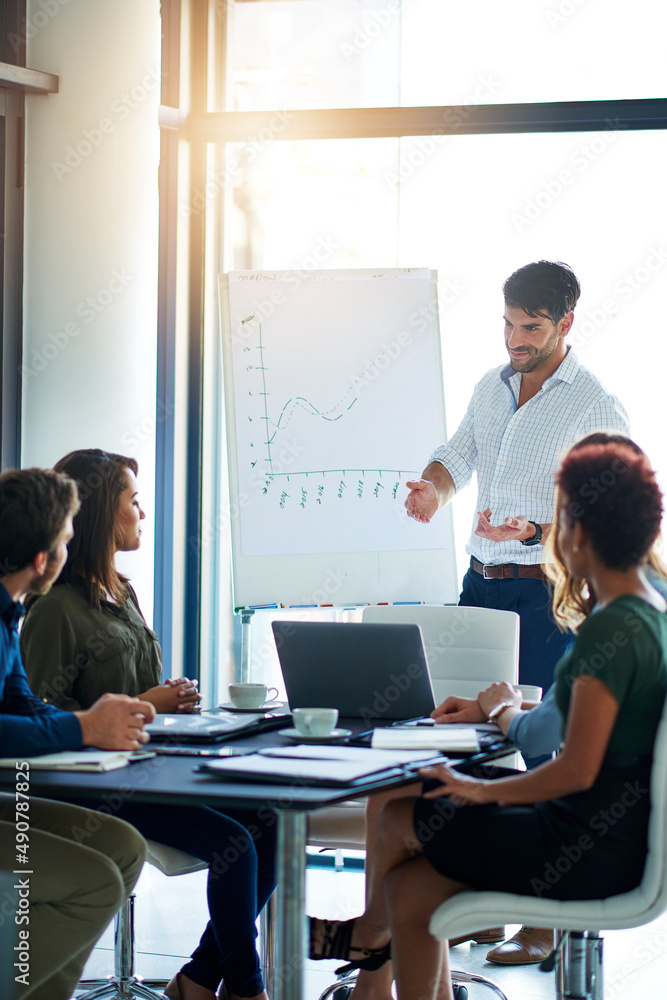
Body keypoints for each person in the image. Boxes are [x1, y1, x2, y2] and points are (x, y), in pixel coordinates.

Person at [311, 439, 667, 1000]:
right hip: (618, 839)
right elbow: (586, 726)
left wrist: (479, 791)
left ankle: (365, 938)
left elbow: (574, 769)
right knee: (409, 889)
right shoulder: (649, 611)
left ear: (577, 533)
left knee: (401, 816)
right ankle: (370, 953)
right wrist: (500, 716)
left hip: (584, 845)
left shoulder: (612, 629)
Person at [20, 449, 276, 1000]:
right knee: (234, 841)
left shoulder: (123, 592)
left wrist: (170, 701)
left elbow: (139, 695)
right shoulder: (55, 608)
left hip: (151, 768)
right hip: (95, 784)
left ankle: (199, 979)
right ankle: (246, 989)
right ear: (100, 513)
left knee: (270, 822)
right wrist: (149, 704)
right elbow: (41, 716)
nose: (142, 513)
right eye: (133, 501)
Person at [405, 261, 629, 698]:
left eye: (530, 327)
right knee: (458, 716)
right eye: (508, 324)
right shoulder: (491, 385)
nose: (513, 340)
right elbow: (457, 456)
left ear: (565, 324)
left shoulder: (596, 405)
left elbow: (612, 522)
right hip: (477, 586)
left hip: (545, 596)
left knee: (532, 726)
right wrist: (433, 489)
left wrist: (534, 532)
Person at [0, 467, 151, 1000]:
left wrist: (89, 725)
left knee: (124, 848)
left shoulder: (9, 614)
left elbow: (20, 704)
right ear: (44, 560)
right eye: (66, 541)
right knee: (94, 883)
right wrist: (85, 725)